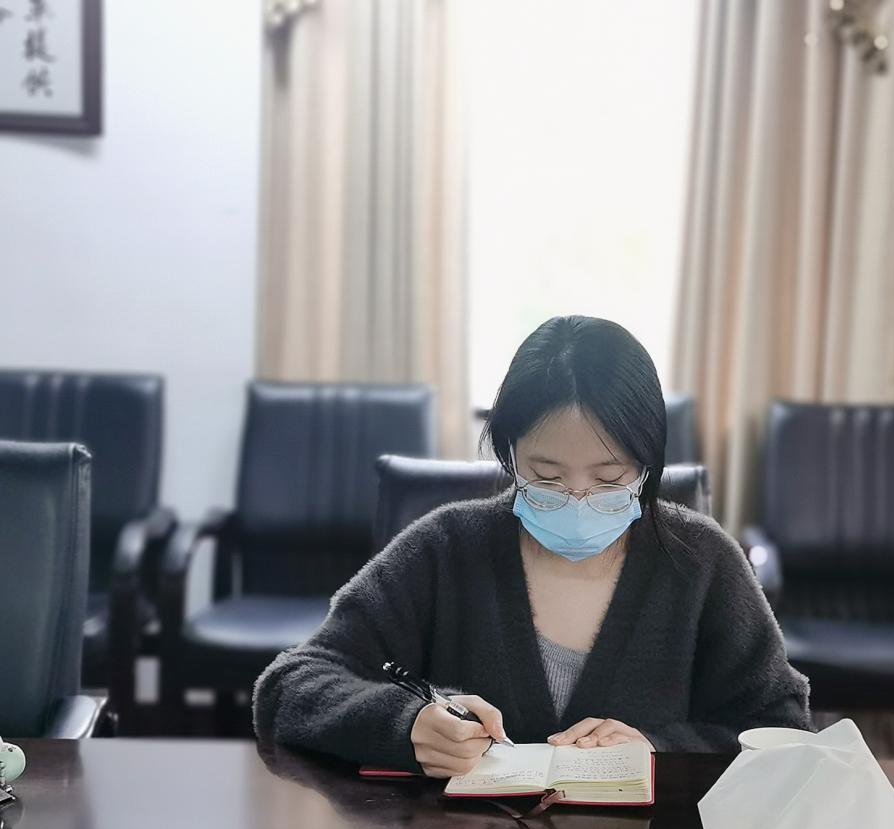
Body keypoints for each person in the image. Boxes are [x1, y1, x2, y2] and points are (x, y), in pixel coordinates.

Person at [253, 316, 810, 776]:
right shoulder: (445, 549)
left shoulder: (701, 562)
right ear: (510, 455)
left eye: (609, 478)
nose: (577, 497)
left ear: (648, 465)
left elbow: (783, 727)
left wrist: (658, 749)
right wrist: (404, 724)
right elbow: (289, 686)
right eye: (546, 476)